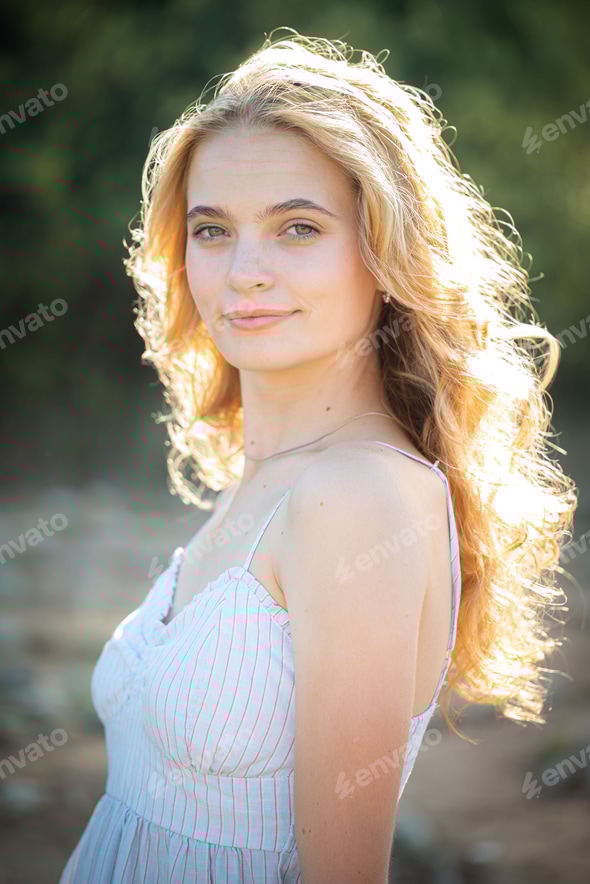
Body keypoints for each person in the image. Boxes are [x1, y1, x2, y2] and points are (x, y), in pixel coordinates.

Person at [59, 27, 578, 884]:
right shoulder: (266, 473)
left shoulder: (360, 495)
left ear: (384, 251)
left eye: (298, 228)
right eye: (212, 230)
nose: (244, 272)